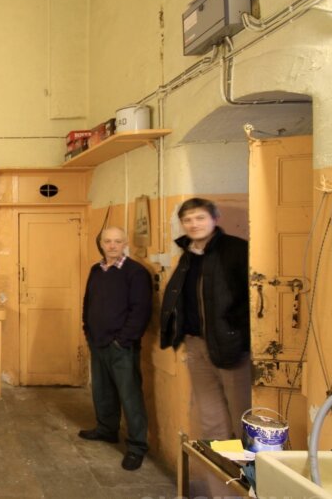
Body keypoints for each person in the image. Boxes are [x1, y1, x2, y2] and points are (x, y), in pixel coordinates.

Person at [160, 198, 251, 441]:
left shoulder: (237, 250)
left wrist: (236, 332)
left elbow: (252, 298)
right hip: (196, 344)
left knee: (242, 416)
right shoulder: (188, 255)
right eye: (187, 220)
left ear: (215, 219)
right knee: (211, 418)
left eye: (200, 218)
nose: (193, 224)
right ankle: (222, 477)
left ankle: (249, 476)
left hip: (230, 345)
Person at [79, 226, 153, 471]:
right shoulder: (96, 270)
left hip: (121, 345)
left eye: (117, 241)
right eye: (107, 241)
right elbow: (88, 302)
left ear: (125, 243)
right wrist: (87, 330)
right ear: (101, 243)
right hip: (97, 341)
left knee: (130, 396)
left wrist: (123, 340)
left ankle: (136, 447)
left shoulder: (136, 273)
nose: (112, 246)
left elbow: (140, 311)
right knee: (102, 391)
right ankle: (106, 430)